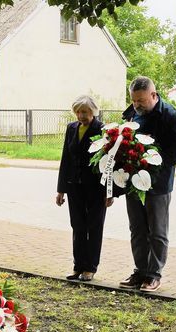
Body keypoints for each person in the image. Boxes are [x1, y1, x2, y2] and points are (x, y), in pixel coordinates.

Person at [119, 76, 176, 292]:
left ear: (154, 95)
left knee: (157, 232)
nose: (137, 105)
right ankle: (140, 271)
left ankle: (153, 274)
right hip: (133, 183)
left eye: (141, 100)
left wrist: (154, 163)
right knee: (137, 229)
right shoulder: (130, 114)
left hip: (158, 184)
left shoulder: (171, 116)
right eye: (134, 100)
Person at [56, 95, 113, 282]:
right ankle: (78, 266)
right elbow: (66, 159)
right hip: (74, 186)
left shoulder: (103, 130)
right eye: (79, 112)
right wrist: (61, 190)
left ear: (93, 112)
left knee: (94, 227)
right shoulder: (71, 128)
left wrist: (110, 192)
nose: (82, 115)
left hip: (96, 188)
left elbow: (110, 163)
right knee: (78, 226)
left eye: (85, 112)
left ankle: (90, 268)